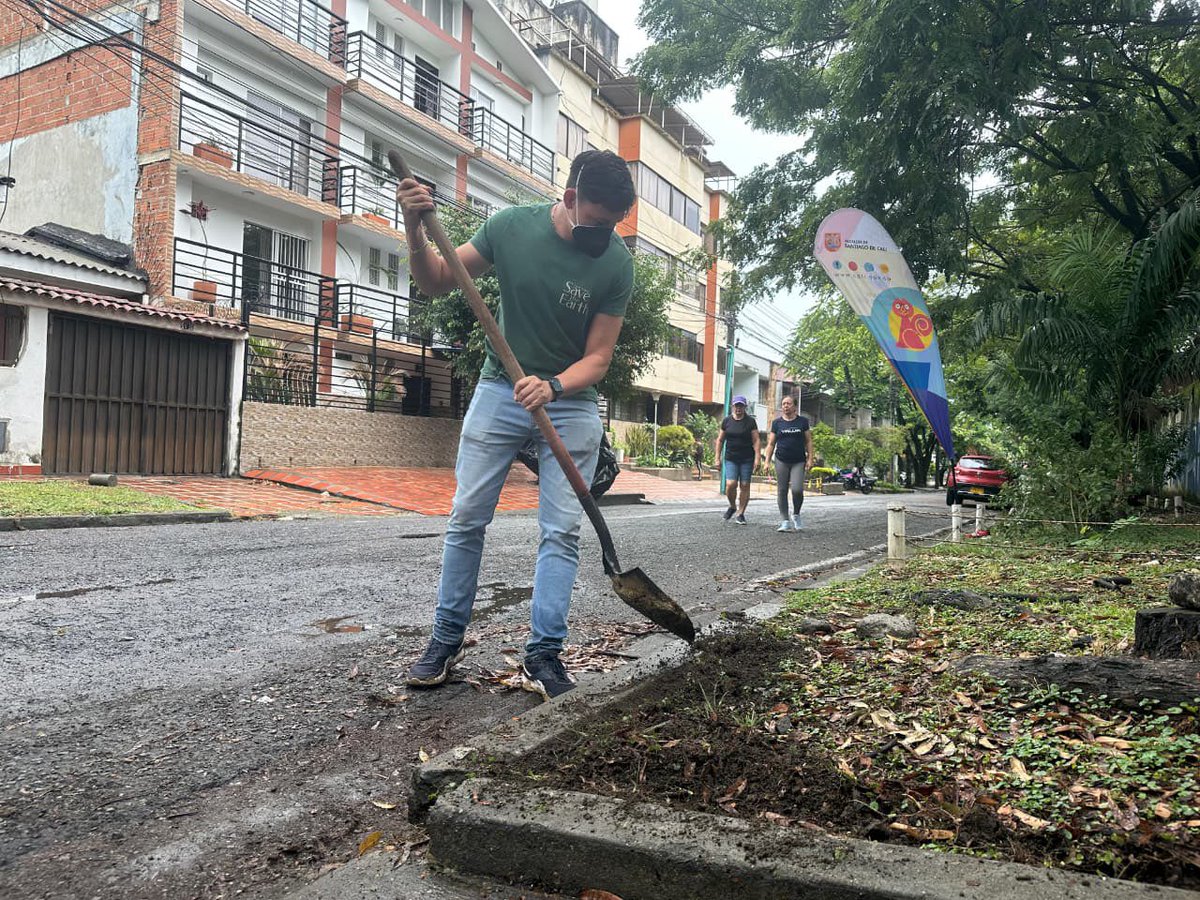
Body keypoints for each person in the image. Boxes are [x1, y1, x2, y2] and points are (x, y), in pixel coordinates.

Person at [397, 149, 637, 701]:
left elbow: (598, 358)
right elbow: (436, 280)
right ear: (571, 198)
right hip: (498, 390)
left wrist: (553, 386)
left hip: (571, 400)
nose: (606, 234)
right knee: (466, 517)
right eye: (599, 222)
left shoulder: (616, 265)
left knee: (561, 530)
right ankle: (445, 640)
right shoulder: (510, 228)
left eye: (614, 225)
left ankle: (544, 653)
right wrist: (414, 228)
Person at [763, 395, 813, 532]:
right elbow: (771, 443)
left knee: (797, 490)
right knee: (782, 490)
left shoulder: (802, 422)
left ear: (794, 406)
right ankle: (785, 521)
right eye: (784, 403)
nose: (785, 406)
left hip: (798, 460)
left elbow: (808, 441)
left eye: (788, 403)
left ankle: (796, 514)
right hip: (781, 460)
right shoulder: (777, 423)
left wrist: (810, 459)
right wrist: (767, 461)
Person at [715, 396, 760, 524]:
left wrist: (757, 458)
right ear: (733, 407)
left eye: (741, 406)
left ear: (745, 407)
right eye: (736, 406)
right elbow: (720, 440)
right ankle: (732, 506)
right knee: (731, 484)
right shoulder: (727, 421)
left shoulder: (750, 421)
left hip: (747, 458)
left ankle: (740, 513)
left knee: (745, 485)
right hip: (731, 458)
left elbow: (756, 440)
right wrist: (717, 458)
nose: (738, 408)